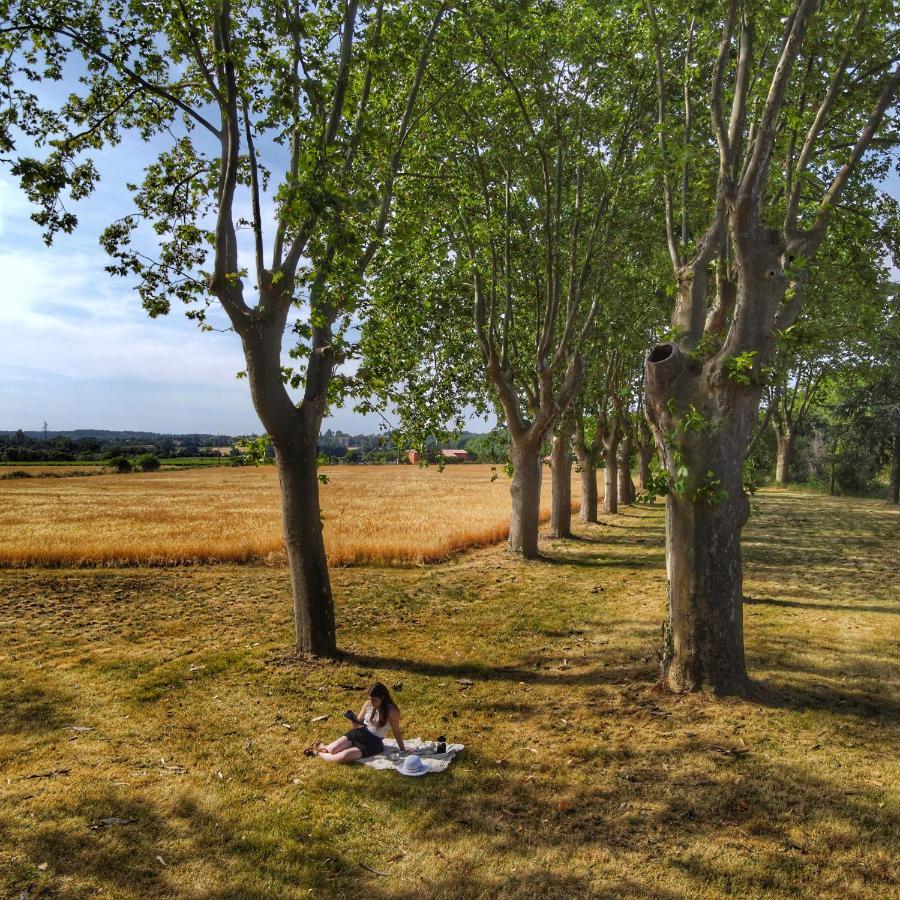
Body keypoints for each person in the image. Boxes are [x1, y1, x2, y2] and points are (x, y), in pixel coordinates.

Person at [310, 682, 405, 763]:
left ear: (383, 698)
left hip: (373, 742)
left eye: (375, 700)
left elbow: (396, 731)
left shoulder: (391, 711)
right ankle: (324, 748)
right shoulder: (368, 704)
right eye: (370, 699)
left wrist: (403, 750)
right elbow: (358, 722)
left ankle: (317, 753)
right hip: (359, 733)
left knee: (342, 757)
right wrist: (353, 721)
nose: (371, 703)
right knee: (332, 750)